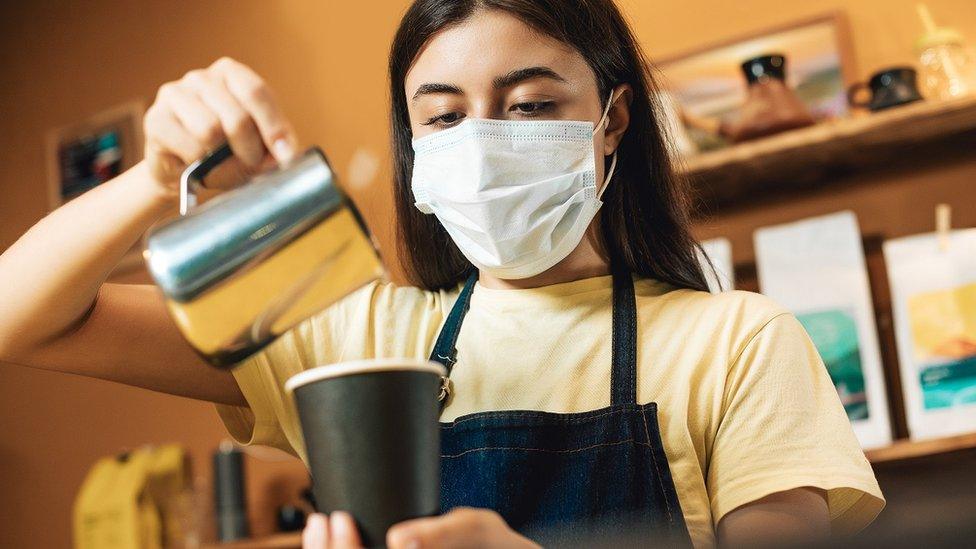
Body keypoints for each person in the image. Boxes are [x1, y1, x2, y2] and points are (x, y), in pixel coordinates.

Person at [0, 0, 884, 547]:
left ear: (612, 120)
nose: (486, 142)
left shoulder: (736, 344)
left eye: (531, 105)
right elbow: (24, 318)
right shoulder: (347, 334)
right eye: (445, 117)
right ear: (414, 149)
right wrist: (156, 179)